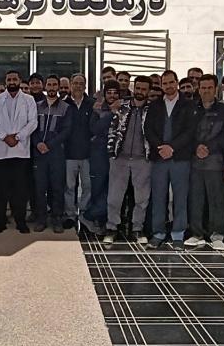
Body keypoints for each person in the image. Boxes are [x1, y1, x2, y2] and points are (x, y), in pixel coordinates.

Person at [146, 71, 200, 250]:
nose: (168, 86)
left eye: (171, 82)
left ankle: (178, 234)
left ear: (176, 83)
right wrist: (160, 147)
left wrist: (172, 147)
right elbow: (148, 129)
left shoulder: (188, 105)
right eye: (165, 83)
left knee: (180, 197)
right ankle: (158, 233)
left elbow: (190, 131)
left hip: (180, 158)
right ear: (161, 85)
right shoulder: (155, 105)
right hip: (159, 158)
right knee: (158, 197)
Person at [103, 76, 153, 245]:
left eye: (144, 89)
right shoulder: (121, 106)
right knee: (114, 197)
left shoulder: (152, 110)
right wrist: (112, 152)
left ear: (148, 91)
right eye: (138, 88)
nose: (140, 92)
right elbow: (111, 128)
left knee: (141, 198)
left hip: (142, 160)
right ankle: (112, 228)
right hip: (120, 158)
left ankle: (137, 228)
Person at [0, 70, 37, 233]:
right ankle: (0, 221)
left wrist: (18, 137)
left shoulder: (29, 100)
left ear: (20, 80)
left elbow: (33, 122)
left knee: (20, 190)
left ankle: (20, 221)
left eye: (15, 79)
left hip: (20, 152)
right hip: (0, 152)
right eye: (9, 79)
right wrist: (4, 136)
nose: (12, 82)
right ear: (5, 81)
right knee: (0, 189)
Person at [186, 75, 224, 251]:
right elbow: (185, 132)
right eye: (203, 88)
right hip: (195, 162)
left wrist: (209, 148)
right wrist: (195, 147)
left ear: (216, 89)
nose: (206, 91)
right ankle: (197, 234)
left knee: (216, 200)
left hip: (215, 162)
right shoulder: (191, 108)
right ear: (198, 89)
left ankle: (217, 235)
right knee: (196, 199)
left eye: (209, 88)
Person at [31, 75, 73, 232]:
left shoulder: (65, 107)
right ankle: (41, 219)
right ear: (45, 86)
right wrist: (37, 143)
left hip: (56, 154)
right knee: (39, 188)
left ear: (58, 87)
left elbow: (66, 131)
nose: (52, 87)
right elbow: (31, 127)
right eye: (49, 84)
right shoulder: (36, 106)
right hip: (39, 153)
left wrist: (49, 145)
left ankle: (57, 219)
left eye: (55, 85)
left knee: (57, 187)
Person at [81, 79, 120, 234]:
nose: (112, 96)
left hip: (118, 156)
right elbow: (95, 129)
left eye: (115, 93)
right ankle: (94, 218)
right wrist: (111, 114)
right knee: (98, 189)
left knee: (113, 191)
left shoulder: (125, 109)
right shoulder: (97, 109)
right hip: (99, 155)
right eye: (109, 93)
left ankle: (92, 216)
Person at [63, 73, 94, 229]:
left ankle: (84, 214)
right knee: (69, 186)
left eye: (81, 83)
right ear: (70, 85)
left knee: (88, 186)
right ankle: (70, 215)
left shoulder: (92, 104)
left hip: (87, 154)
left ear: (85, 86)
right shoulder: (64, 104)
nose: (78, 86)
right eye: (75, 83)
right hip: (69, 154)